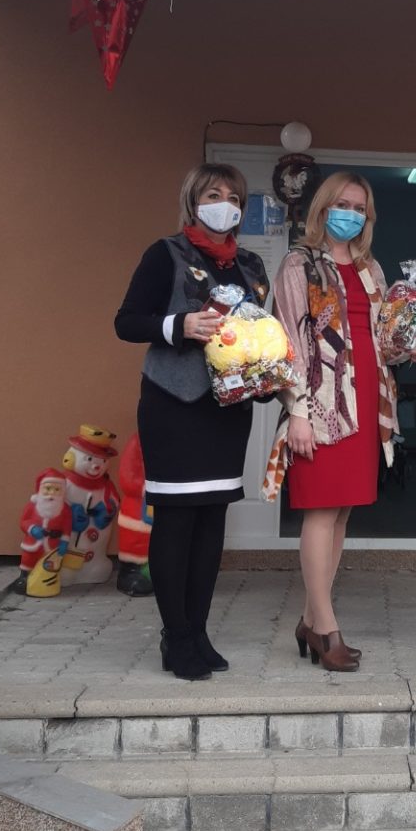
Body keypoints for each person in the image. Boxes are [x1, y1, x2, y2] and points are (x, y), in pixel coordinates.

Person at [115, 163, 270, 681]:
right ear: (193, 201)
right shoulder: (165, 254)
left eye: (234, 197)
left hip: (227, 411)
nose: (225, 204)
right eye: (213, 194)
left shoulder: (250, 265)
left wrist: (270, 372)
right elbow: (126, 322)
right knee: (177, 521)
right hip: (173, 406)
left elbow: (259, 331)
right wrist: (179, 325)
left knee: (210, 523)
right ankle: (175, 635)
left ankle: (199, 631)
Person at [269, 171, 416, 671]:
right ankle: (326, 628)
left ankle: (310, 619)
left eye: (360, 208)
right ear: (322, 208)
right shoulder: (299, 265)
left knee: (341, 514)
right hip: (321, 407)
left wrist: (408, 346)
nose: (351, 214)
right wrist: (297, 411)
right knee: (319, 511)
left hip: (366, 405)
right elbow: (288, 343)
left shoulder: (370, 268)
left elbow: (379, 341)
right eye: (342, 204)